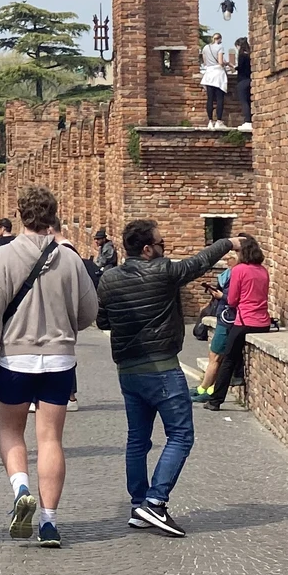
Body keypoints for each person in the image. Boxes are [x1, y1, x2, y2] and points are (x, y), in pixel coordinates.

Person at [0, 184, 97, 548]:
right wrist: (66, 324)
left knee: (11, 432)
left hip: (16, 358)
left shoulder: (3, 257)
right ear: (54, 216)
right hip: (60, 359)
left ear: (20, 215)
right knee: (51, 439)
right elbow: (89, 311)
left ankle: (21, 489)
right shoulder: (70, 259)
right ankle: (49, 522)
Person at [95, 221, 234, 535]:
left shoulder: (109, 279)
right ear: (147, 249)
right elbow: (199, 262)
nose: (164, 249)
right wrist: (230, 242)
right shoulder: (164, 271)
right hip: (162, 369)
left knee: (137, 440)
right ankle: (155, 502)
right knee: (181, 435)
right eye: (162, 244)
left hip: (128, 371)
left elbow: (102, 320)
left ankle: (138, 505)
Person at [200, 234, 270, 410]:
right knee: (235, 349)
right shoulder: (263, 271)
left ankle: (215, 400)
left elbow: (232, 301)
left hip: (245, 320)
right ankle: (238, 377)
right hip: (263, 322)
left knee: (227, 359)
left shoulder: (239, 270)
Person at [200, 31, 230, 127]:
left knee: (210, 99)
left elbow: (205, 62)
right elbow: (220, 62)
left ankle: (210, 121)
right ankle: (219, 121)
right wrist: (226, 63)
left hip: (209, 74)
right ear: (220, 39)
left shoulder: (205, 47)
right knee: (220, 98)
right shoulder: (220, 47)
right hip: (218, 74)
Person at [234, 36, 253, 125]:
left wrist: (235, 68)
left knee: (244, 101)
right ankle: (251, 119)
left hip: (242, 80)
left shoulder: (241, 55)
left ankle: (247, 120)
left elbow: (241, 67)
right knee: (249, 101)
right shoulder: (250, 55)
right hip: (250, 79)